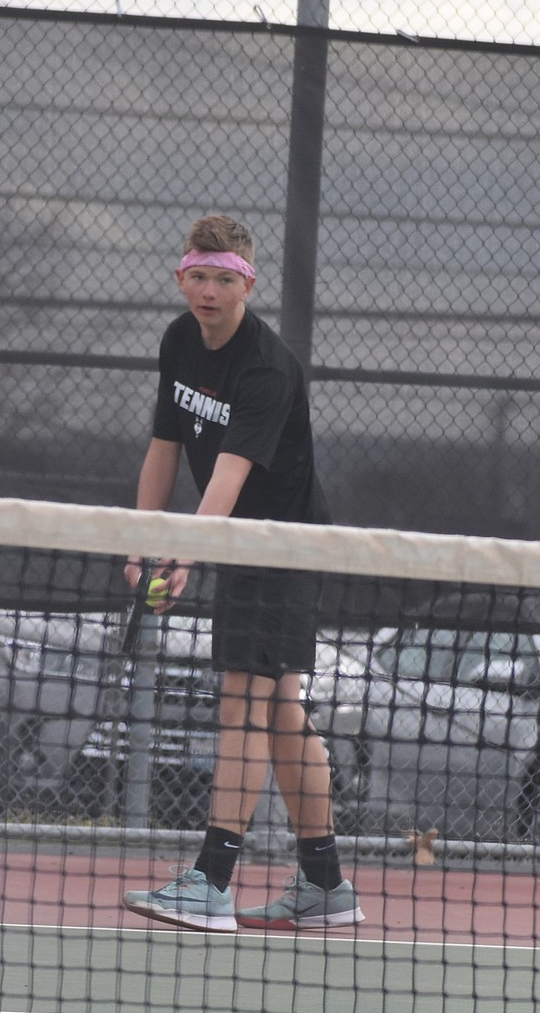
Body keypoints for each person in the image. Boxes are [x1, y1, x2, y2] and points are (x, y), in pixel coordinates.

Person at [121, 215, 364, 933]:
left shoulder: (265, 369)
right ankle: (325, 887)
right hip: (242, 545)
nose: (209, 290)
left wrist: (184, 554)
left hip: (281, 545)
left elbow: (226, 478)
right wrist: (139, 542)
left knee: (244, 706)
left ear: (247, 284)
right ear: (180, 278)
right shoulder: (177, 342)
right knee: (282, 713)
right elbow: (165, 448)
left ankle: (212, 881)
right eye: (198, 275)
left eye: (224, 278)